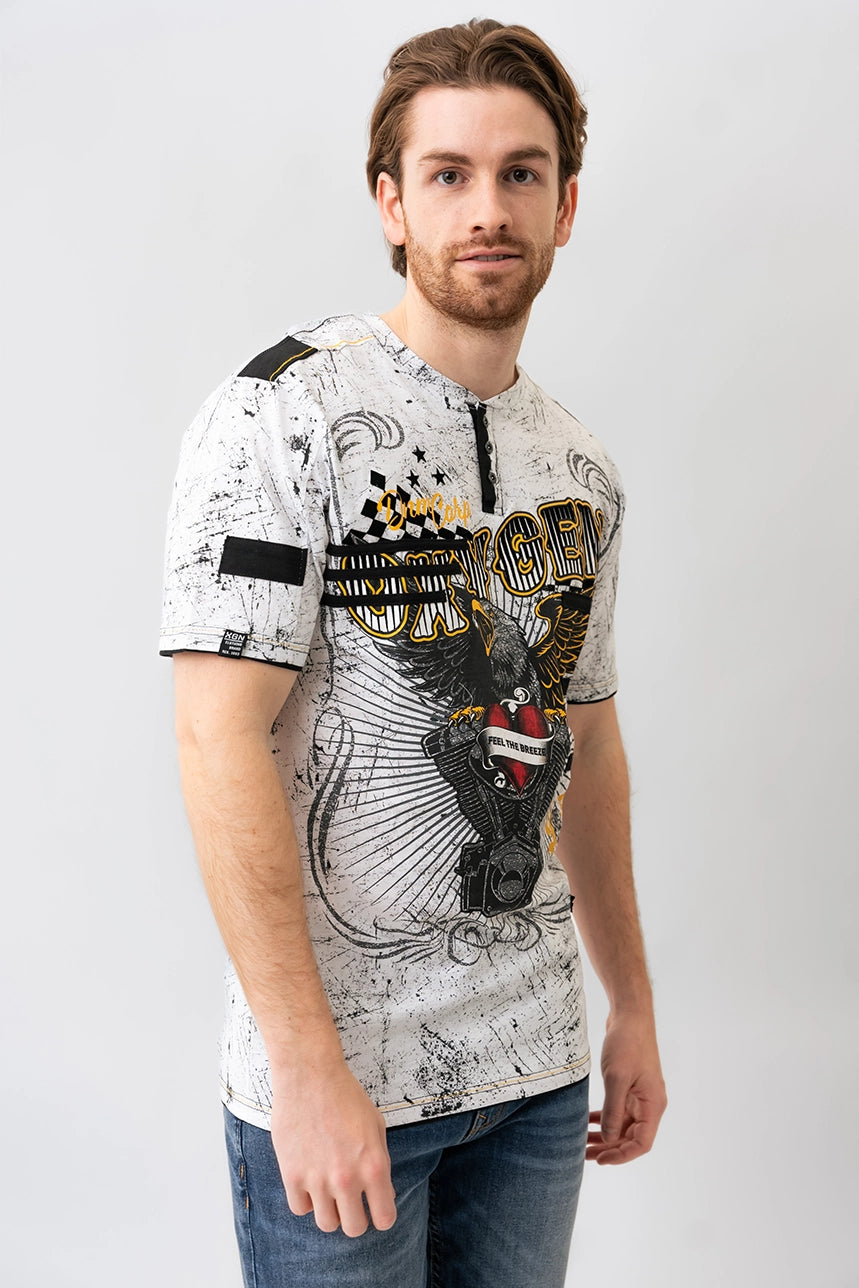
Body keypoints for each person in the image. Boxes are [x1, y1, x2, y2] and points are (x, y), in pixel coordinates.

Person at [161, 17, 666, 1288]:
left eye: (520, 173)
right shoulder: (281, 414)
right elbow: (216, 734)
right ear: (391, 203)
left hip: (538, 1074)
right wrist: (304, 1071)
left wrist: (631, 1007)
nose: (486, 208)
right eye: (448, 173)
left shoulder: (582, 468)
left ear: (564, 207)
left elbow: (586, 737)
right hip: (346, 1084)